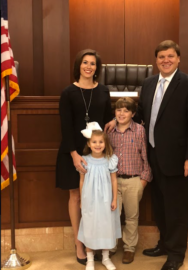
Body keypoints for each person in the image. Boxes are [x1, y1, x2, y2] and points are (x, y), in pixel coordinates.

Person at [105, 40, 188, 270]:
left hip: (180, 161)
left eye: (170, 56)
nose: (166, 60)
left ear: (178, 58)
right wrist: (116, 119)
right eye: (161, 57)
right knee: (161, 206)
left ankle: (176, 255)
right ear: (156, 60)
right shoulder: (149, 83)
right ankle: (163, 244)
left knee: (177, 209)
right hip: (153, 159)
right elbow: (139, 114)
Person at [56, 49, 115, 265]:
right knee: (77, 196)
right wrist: (73, 154)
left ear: (97, 68)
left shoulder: (104, 91)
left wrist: (114, 121)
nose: (88, 66)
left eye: (93, 63)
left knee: (98, 199)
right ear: (78, 66)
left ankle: (97, 242)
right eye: (85, 62)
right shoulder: (68, 93)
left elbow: (108, 117)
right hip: (74, 152)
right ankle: (79, 244)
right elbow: (65, 126)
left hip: (97, 153)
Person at [107, 97, 152, 264]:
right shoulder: (109, 131)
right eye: (119, 110)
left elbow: (145, 155)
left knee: (132, 217)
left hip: (134, 180)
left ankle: (129, 248)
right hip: (113, 181)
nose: (121, 113)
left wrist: (144, 180)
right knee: (113, 215)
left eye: (126, 110)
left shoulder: (140, 130)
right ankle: (111, 246)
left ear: (133, 113)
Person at [78, 122, 121, 270]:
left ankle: (105, 257)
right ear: (89, 144)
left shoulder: (110, 160)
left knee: (105, 226)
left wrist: (114, 198)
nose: (98, 145)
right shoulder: (85, 161)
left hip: (105, 200)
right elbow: (82, 181)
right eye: (94, 142)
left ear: (105, 143)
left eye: (101, 142)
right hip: (89, 200)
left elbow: (114, 180)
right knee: (90, 226)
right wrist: (82, 200)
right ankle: (90, 258)